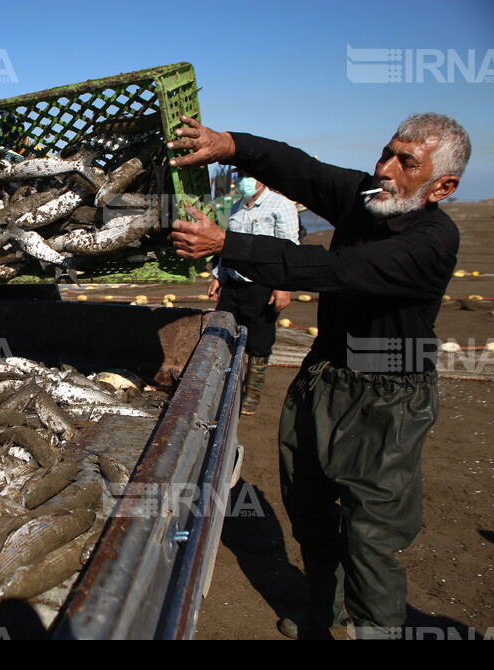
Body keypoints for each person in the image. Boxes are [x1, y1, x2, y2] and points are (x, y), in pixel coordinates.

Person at [168, 113, 470, 639]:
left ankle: (376, 627)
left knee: (370, 528)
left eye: (406, 162)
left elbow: (335, 272)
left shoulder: (431, 239)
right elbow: (300, 168)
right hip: (326, 372)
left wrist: (228, 245)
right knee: (307, 504)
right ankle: (325, 608)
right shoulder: (367, 197)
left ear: (441, 187)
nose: (385, 167)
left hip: (389, 389)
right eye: (386, 152)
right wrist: (229, 145)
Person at [209, 169, 299, 415]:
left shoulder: (280, 206)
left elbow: (290, 249)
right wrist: (219, 277)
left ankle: (252, 393)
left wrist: (283, 287)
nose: (243, 181)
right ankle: (223, 388)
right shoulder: (236, 207)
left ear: (261, 178)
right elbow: (227, 247)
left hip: (264, 285)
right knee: (222, 334)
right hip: (234, 283)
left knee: (259, 342)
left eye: (249, 175)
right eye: (240, 175)